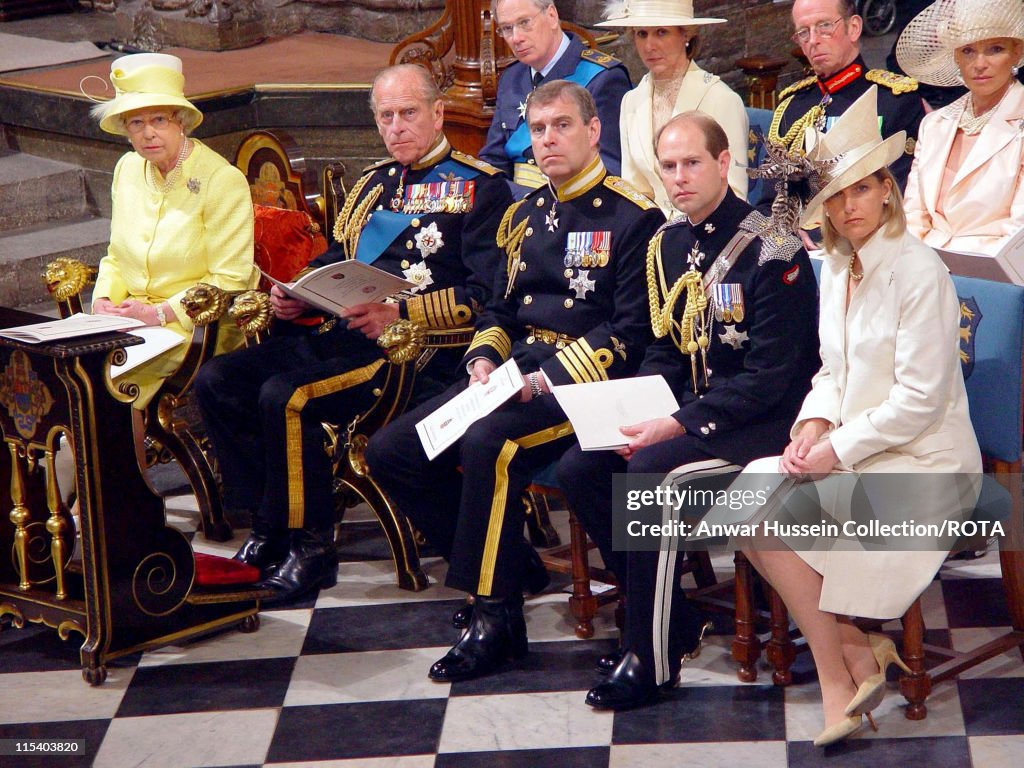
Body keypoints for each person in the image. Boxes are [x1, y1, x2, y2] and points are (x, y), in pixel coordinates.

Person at [365, 80, 665, 682]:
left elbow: (630, 332)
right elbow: (499, 309)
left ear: (593, 131)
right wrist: (483, 358)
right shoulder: (525, 214)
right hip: (511, 373)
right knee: (392, 451)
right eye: (538, 129)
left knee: (487, 444)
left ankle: (495, 618)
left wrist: (548, 377)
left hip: (582, 385)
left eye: (562, 126)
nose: (548, 140)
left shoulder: (633, 216)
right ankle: (511, 565)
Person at [193, 64, 513, 603]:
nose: (396, 127)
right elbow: (338, 260)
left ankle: (312, 548)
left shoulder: (482, 189)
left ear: (437, 114)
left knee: (286, 396)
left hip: (415, 354)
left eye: (408, 114)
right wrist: (296, 292)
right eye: (385, 117)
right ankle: (271, 524)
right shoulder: (373, 185)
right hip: (342, 335)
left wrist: (403, 315)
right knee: (217, 380)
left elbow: (487, 299)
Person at [736, 87, 981, 747]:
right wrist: (814, 426)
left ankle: (840, 669)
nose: (850, 207)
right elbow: (832, 372)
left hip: (926, 459)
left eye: (862, 190)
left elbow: (920, 400)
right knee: (747, 495)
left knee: (774, 510)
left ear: (886, 192)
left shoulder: (918, 270)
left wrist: (838, 450)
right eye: (836, 197)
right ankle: (848, 647)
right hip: (861, 445)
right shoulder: (837, 267)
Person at [557, 111, 820, 710]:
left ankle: (650, 659)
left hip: (763, 425)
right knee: (582, 467)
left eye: (692, 163)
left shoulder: (772, 247)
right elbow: (666, 349)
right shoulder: (669, 244)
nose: (679, 178)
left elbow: (772, 376)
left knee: (650, 478)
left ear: (725, 164)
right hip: (696, 414)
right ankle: (669, 620)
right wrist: (637, 407)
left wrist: (673, 424)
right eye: (668, 166)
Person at [90, 53, 256, 411]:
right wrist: (104, 300)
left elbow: (231, 278)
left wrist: (158, 314)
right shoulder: (128, 169)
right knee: (72, 374)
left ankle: (122, 468)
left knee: (109, 381)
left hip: (198, 327)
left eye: (159, 119)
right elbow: (116, 256)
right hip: (129, 319)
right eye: (136, 122)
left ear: (180, 121)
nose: (148, 133)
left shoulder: (221, 180)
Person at [897, 0, 1024, 256]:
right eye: (968, 51)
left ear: (1017, 52)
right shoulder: (933, 124)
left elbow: (1018, 232)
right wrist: (920, 266)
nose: (979, 63)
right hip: (927, 268)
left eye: (995, 49)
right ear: (955, 56)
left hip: (999, 276)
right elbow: (913, 214)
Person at [596, 0, 749, 213]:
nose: (649, 46)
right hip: (652, 238)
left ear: (686, 34)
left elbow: (735, 193)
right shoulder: (631, 101)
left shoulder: (721, 98)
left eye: (661, 32)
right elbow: (634, 192)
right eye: (642, 34)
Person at [768, 0, 925, 195]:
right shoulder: (792, 107)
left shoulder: (894, 102)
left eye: (824, 26)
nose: (813, 40)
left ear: (854, 28)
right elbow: (772, 200)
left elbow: (899, 196)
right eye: (803, 32)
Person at [479, 0, 632, 187]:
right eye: (507, 28)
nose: (516, 37)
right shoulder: (511, 77)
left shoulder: (602, 78)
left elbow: (610, 169)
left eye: (525, 23)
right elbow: (494, 159)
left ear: (551, 16)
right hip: (514, 204)